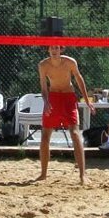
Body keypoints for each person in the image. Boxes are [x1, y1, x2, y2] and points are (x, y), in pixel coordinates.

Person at [37, 45, 89, 184]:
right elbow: (43, 87)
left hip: (68, 98)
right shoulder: (43, 65)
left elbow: (79, 79)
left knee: (75, 133)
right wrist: (46, 101)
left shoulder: (70, 62)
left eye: (57, 48)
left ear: (61, 50)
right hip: (53, 98)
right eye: (52, 48)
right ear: (48, 50)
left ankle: (82, 175)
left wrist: (87, 100)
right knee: (45, 135)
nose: (54, 50)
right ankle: (43, 174)